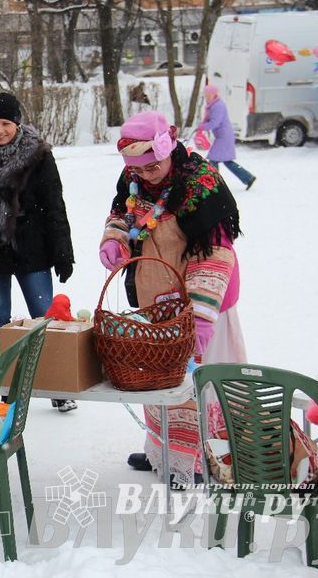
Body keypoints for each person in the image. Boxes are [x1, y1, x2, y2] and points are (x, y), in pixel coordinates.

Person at [99, 110, 246, 486]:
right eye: (137, 169)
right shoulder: (134, 177)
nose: (145, 175)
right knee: (161, 378)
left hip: (204, 300)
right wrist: (115, 239)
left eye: (152, 167)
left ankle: (206, 458)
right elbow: (122, 211)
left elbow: (215, 254)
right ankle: (164, 451)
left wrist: (198, 319)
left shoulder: (200, 183)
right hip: (158, 297)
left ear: (168, 149)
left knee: (200, 384)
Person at [0, 93, 77, 413]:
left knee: (43, 319)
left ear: (17, 123)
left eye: (5, 124)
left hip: (30, 248)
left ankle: (55, 385)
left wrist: (63, 251)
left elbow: (54, 204)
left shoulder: (39, 156)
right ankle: (6, 384)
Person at [198, 84, 257, 190]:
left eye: (209, 95)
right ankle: (248, 178)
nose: (207, 97)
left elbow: (215, 123)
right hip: (222, 136)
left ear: (214, 94)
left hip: (224, 137)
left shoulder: (218, 106)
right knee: (227, 161)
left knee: (214, 159)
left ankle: (214, 184)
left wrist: (202, 126)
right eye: (206, 95)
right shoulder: (213, 104)